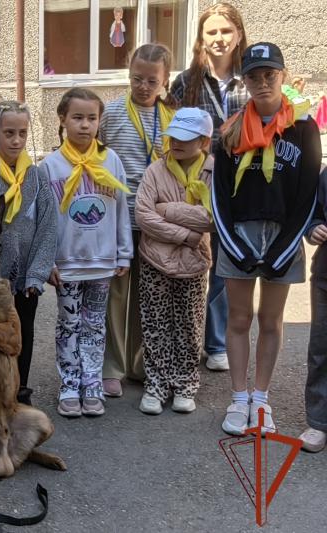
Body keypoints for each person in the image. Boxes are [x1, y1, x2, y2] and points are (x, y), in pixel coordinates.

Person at [213, 43, 320, 436]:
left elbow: (308, 193)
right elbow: (219, 196)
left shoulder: (305, 128)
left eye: (269, 75)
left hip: (284, 238)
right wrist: (234, 246)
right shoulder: (230, 129)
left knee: (270, 320)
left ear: (283, 75)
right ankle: (239, 398)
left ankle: (261, 398)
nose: (262, 83)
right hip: (239, 235)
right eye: (254, 76)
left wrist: (285, 247)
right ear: (244, 80)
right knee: (239, 318)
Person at [40, 89, 131, 417]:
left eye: (91, 118)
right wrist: (46, 260)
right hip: (67, 265)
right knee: (68, 323)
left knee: (95, 325)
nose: (84, 125)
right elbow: (45, 220)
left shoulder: (111, 161)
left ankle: (91, 382)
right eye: (77, 117)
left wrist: (124, 253)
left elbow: (122, 211)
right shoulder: (50, 166)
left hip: (102, 262)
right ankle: (69, 383)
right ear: (62, 119)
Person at [170, 2, 249, 372]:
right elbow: (171, 133)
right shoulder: (185, 82)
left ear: (238, 34)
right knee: (191, 257)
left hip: (240, 184)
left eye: (225, 31)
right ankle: (184, 338)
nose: (219, 39)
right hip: (193, 184)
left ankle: (216, 341)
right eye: (211, 32)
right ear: (201, 38)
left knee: (225, 262)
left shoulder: (252, 77)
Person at [98, 43, 178, 398]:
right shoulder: (112, 113)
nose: (143, 87)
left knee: (148, 297)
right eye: (136, 79)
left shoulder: (173, 120)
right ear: (127, 75)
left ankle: (139, 362)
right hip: (118, 219)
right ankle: (111, 366)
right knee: (115, 295)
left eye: (151, 80)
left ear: (165, 81)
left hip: (155, 223)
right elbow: (97, 162)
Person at [0, 101, 57, 406]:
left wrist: (37, 272)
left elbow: (48, 226)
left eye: (22, 133)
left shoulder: (37, 178)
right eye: (9, 133)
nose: (16, 140)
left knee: (23, 333)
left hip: (26, 279)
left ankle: (21, 390)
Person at [134, 108, 215, 415]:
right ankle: (156, 383)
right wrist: (187, 235)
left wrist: (167, 209)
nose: (176, 143)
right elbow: (143, 215)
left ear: (204, 140)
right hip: (155, 259)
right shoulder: (155, 170)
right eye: (173, 137)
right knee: (155, 324)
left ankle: (185, 383)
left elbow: (212, 217)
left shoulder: (212, 171)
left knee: (189, 324)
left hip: (194, 263)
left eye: (186, 138)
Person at [301, 166, 327, 452]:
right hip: (325, 277)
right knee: (320, 351)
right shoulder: (325, 175)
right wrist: (314, 228)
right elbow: (315, 213)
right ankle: (319, 421)